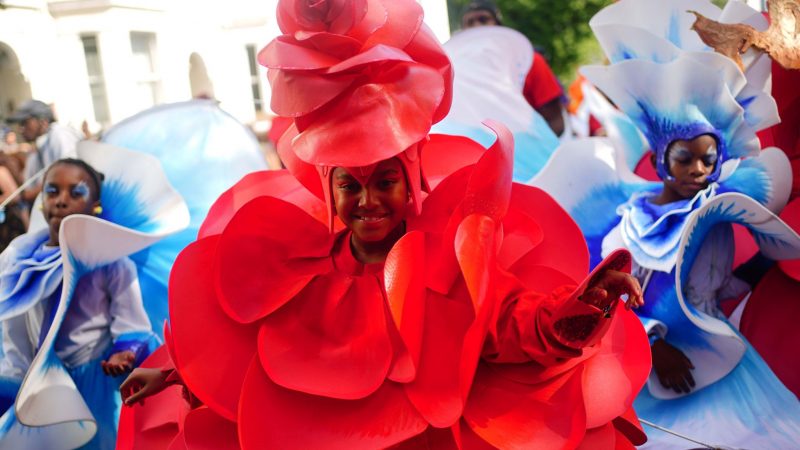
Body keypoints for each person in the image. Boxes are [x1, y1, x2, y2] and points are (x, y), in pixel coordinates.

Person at [116, 1, 651, 449]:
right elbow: (241, 353)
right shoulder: (293, 272)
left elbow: (508, 321)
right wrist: (172, 376)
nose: (368, 200)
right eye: (350, 184)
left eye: (385, 181)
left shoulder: (451, 252)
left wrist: (580, 307)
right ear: (329, 190)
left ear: (411, 178)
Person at [577, 0, 800, 447]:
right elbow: (611, 300)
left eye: (709, 160)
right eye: (686, 159)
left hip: (722, 359)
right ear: (661, 161)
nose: (698, 171)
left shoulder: (720, 199)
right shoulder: (631, 223)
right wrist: (654, 347)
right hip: (660, 374)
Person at [0, 141, 190, 449]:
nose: (61, 201)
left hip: (95, 381)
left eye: (76, 193)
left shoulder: (112, 262)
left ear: (95, 204)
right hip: (40, 382)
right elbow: (13, 328)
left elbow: (130, 320)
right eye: (52, 191)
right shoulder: (16, 260)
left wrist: (124, 351)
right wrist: (18, 383)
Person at [460, 0, 569, 138]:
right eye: (469, 22)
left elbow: (556, 123)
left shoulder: (530, 61)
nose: (477, 26)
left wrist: (525, 152)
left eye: (483, 19)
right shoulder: (459, 74)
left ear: (498, 25)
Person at [5, 99, 81, 207]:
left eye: (25, 123)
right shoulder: (38, 149)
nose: (21, 129)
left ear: (43, 121)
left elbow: (71, 174)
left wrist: (29, 194)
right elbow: (29, 184)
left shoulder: (59, 135)